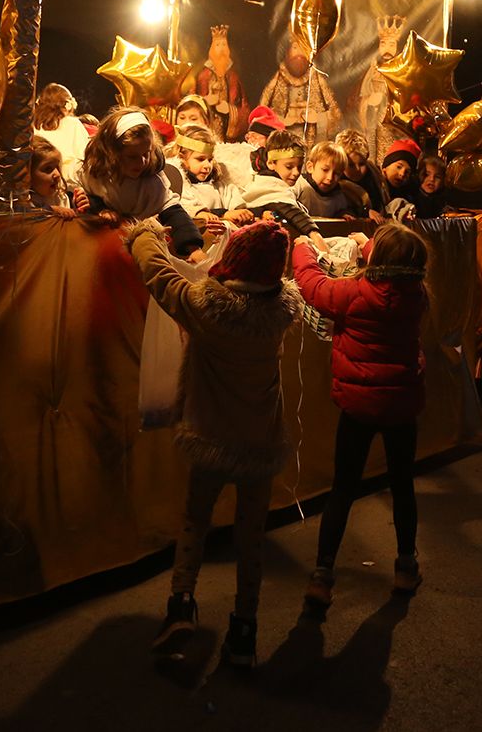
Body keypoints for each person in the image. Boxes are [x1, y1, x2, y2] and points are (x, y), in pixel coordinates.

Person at [129, 220, 303, 667]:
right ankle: (244, 629)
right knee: (251, 537)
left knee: (195, 520)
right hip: (259, 441)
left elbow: (160, 277)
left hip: (210, 435)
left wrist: (147, 233)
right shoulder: (280, 312)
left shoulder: (207, 308)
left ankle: (181, 603)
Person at [291, 223, 430, 606]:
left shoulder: (353, 294)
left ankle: (322, 573)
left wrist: (302, 247)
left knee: (343, 488)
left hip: (359, 406)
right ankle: (405, 566)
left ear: (377, 261)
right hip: (401, 403)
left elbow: (312, 284)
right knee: (403, 485)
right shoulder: (416, 293)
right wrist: (366, 243)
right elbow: (395, 261)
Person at [79, 107, 203, 259]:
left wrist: (194, 248)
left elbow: (171, 210)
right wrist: (100, 208)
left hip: (141, 241)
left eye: (146, 153)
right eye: (132, 157)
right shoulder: (97, 174)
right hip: (104, 240)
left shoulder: (153, 180)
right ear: (112, 153)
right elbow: (86, 193)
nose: (142, 161)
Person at [237, 130, 328, 249]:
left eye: (299, 167)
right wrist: (316, 236)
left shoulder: (275, 184)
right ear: (271, 163)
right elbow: (288, 209)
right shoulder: (269, 185)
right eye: (289, 166)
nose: (296, 173)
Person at [168, 124, 251, 230]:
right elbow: (183, 207)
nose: (207, 165)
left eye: (210, 159)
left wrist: (238, 211)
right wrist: (201, 213)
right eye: (200, 159)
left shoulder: (219, 186)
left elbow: (233, 200)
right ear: (181, 158)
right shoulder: (179, 188)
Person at [295, 141, 367, 219]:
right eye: (325, 170)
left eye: (337, 173)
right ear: (310, 167)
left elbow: (343, 209)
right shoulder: (299, 185)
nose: (330, 178)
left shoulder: (338, 194)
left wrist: (344, 214)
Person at [34, 83, 89, 181]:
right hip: (69, 181)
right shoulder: (73, 124)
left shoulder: (33, 126)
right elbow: (85, 155)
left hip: (41, 181)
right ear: (67, 104)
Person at [336, 128, 384, 214]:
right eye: (351, 165)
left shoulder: (375, 178)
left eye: (362, 164)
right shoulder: (334, 184)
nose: (357, 169)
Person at [28, 137, 79, 216]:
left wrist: (76, 206)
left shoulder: (60, 196)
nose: (57, 174)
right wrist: (50, 210)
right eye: (48, 169)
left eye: (57, 167)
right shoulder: (25, 202)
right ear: (28, 174)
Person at [379, 138, 422, 213]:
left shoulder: (408, 198)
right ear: (386, 166)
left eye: (407, 172)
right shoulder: (373, 186)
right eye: (399, 167)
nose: (402, 174)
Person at [411, 154, 448, 219]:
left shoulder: (445, 202)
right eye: (427, 174)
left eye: (437, 177)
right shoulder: (411, 198)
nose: (432, 179)